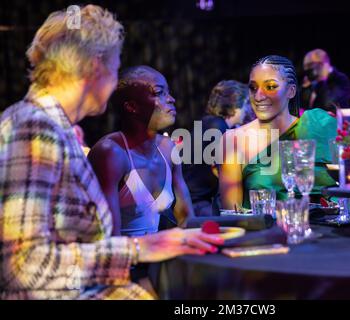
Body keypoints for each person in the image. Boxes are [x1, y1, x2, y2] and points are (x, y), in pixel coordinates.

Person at [0, 5, 222, 300]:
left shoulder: (52, 128)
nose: (115, 81)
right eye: (116, 69)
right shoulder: (34, 129)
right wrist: (141, 249)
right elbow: (22, 267)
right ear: (95, 66)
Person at [219, 55, 337, 210]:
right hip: (266, 232)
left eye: (270, 87)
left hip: (331, 230)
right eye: (253, 88)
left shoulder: (318, 126)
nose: (258, 96)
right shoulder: (233, 140)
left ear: (291, 91)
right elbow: (232, 214)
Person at [89, 65, 195, 235]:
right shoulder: (110, 153)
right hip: (123, 258)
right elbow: (109, 240)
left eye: (168, 92)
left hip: (156, 256)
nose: (171, 99)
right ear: (132, 106)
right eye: (159, 92)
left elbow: (187, 219)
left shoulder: (168, 148)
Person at [182, 80, 251, 216]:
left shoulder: (207, 122)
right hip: (199, 206)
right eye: (246, 104)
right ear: (237, 104)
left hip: (191, 201)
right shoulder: (218, 128)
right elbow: (225, 174)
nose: (248, 110)